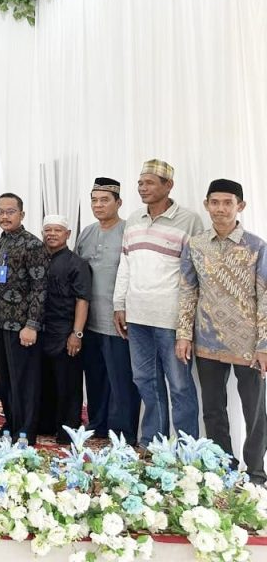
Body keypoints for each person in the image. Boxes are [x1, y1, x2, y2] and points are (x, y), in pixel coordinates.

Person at [177, 179, 267, 484]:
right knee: (213, 409)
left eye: (228, 202)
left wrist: (264, 344)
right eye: (214, 202)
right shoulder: (196, 245)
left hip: (248, 344)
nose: (220, 208)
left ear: (240, 206)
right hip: (207, 341)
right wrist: (183, 334)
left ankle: (256, 473)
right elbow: (188, 291)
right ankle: (222, 469)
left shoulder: (256, 246)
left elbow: (265, 296)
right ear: (206, 205)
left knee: (254, 411)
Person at [113, 159, 202, 445]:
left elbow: (194, 275)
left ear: (168, 185)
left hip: (171, 318)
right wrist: (119, 304)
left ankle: (188, 449)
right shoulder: (134, 220)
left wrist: (187, 323)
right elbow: (125, 265)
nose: (143, 188)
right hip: (137, 317)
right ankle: (154, 444)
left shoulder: (189, 221)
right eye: (140, 183)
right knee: (145, 381)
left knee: (179, 385)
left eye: (149, 182)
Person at [77, 177, 140, 443]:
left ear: (119, 202)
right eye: (94, 200)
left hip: (118, 322)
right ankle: (97, 425)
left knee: (122, 381)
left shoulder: (129, 231)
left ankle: (123, 434)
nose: (98, 205)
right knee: (95, 378)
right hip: (89, 322)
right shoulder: (87, 233)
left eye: (105, 200)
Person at [0, 192, 47, 444]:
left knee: (25, 382)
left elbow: (40, 288)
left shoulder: (32, 244)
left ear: (22, 214)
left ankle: (25, 432)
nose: (5, 216)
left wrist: (32, 324)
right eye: (0, 211)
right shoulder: (1, 242)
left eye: (10, 211)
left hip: (22, 327)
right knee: (6, 382)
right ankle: (11, 425)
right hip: (0, 325)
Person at [37, 214, 91, 443]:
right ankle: (46, 425)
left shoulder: (77, 263)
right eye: (48, 230)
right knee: (44, 381)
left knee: (67, 383)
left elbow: (82, 300)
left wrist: (76, 334)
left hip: (65, 331)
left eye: (57, 230)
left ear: (67, 234)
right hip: (41, 331)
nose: (52, 234)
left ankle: (67, 430)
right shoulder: (38, 259)